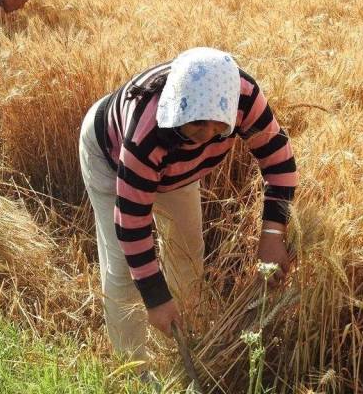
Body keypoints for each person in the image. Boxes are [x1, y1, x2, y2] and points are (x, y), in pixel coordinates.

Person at [78, 47, 298, 367]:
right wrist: (155, 297)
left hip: (177, 172)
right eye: (196, 124)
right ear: (177, 108)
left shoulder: (244, 99)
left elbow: (279, 159)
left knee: (187, 251)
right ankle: (133, 367)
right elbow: (131, 222)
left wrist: (273, 233)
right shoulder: (147, 134)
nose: (207, 136)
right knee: (124, 270)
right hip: (109, 155)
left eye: (218, 126)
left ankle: (185, 340)